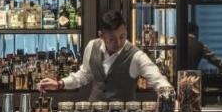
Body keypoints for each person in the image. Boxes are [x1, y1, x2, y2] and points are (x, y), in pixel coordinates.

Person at [37, 10, 173, 100]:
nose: (119, 43)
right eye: (112, 39)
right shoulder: (92, 46)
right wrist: (60, 84)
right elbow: (84, 75)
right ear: (101, 35)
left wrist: (170, 97)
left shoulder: (136, 56)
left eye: (122, 36)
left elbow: (158, 79)